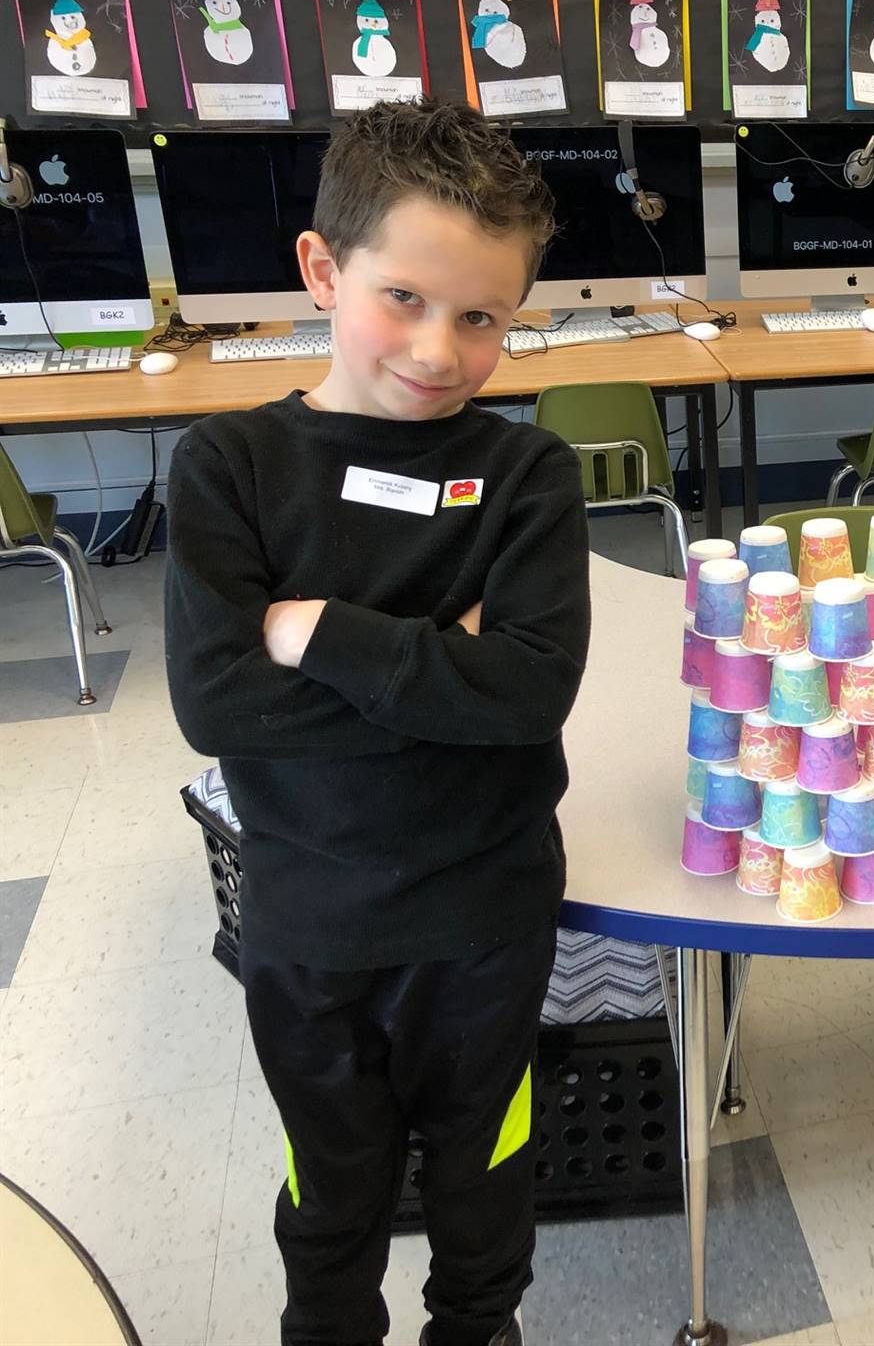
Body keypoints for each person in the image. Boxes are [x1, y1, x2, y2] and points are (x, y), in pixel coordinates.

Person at [164, 100, 588, 1345]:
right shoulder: (228, 467)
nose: (439, 349)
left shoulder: (526, 476)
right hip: (312, 927)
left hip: (487, 923)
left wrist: (317, 635)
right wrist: (442, 669)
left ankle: (477, 1327)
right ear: (319, 268)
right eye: (402, 296)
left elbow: (529, 692)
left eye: (482, 317)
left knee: (486, 1177)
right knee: (330, 1192)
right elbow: (215, 702)